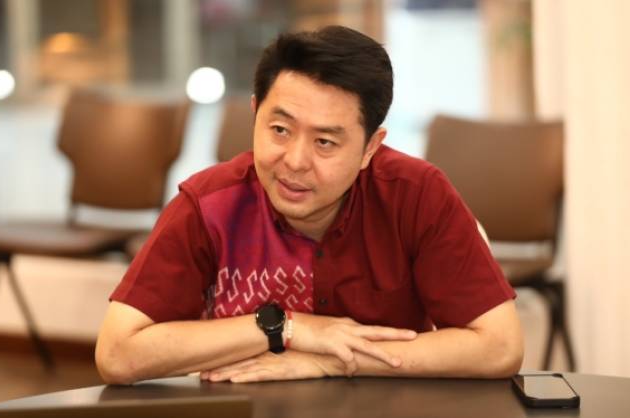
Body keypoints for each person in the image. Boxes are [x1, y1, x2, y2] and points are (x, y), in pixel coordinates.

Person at [95, 25, 523, 385]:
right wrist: (286, 328)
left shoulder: (416, 194)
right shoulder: (208, 205)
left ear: (370, 147)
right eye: (280, 130)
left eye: (325, 142)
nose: (295, 161)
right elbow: (117, 354)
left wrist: (332, 360)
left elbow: (499, 346)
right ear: (255, 113)